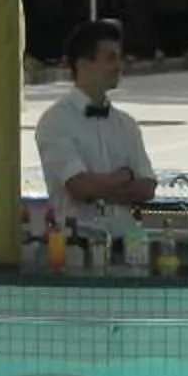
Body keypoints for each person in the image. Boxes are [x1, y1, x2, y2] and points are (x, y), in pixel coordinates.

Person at [32, 17, 158, 239]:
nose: (119, 66)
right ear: (82, 64)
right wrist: (123, 177)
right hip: (76, 244)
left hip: (126, 242)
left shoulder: (126, 124)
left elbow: (147, 188)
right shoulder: (55, 122)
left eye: (120, 58)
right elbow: (80, 186)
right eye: (110, 58)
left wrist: (100, 189)